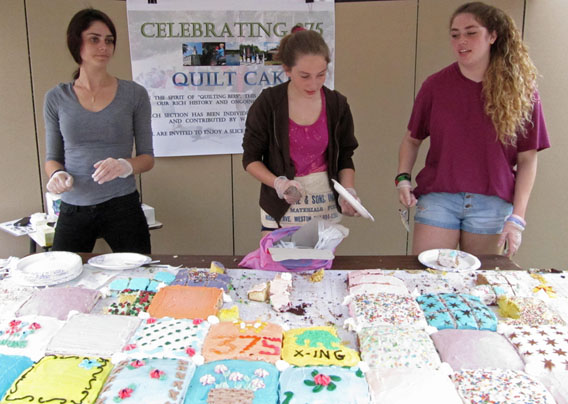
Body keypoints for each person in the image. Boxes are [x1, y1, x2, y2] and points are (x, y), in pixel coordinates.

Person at [397, 2, 549, 258]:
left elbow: (527, 159)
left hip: (492, 204)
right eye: (455, 34)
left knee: (481, 288)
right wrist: (402, 178)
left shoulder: (522, 92)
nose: (461, 41)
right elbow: (412, 140)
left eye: (471, 32)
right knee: (427, 281)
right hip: (438, 198)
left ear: (492, 36)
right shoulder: (435, 86)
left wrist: (517, 219)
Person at [44, 8, 154, 253]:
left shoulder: (134, 94)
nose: (104, 46)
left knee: (139, 278)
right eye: (94, 39)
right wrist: (56, 176)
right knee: (64, 279)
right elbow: (52, 159)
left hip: (122, 207)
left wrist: (125, 165)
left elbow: (147, 158)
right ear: (77, 43)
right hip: (73, 206)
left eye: (109, 40)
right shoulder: (57, 97)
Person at [242, 26, 360, 234]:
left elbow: (345, 156)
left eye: (321, 75)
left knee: (320, 266)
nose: (313, 84)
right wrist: (279, 183)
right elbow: (250, 159)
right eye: (304, 76)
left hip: (325, 203)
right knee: (280, 264)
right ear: (287, 69)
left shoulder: (337, 104)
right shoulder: (269, 103)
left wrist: (348, 191)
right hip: (280, 208)